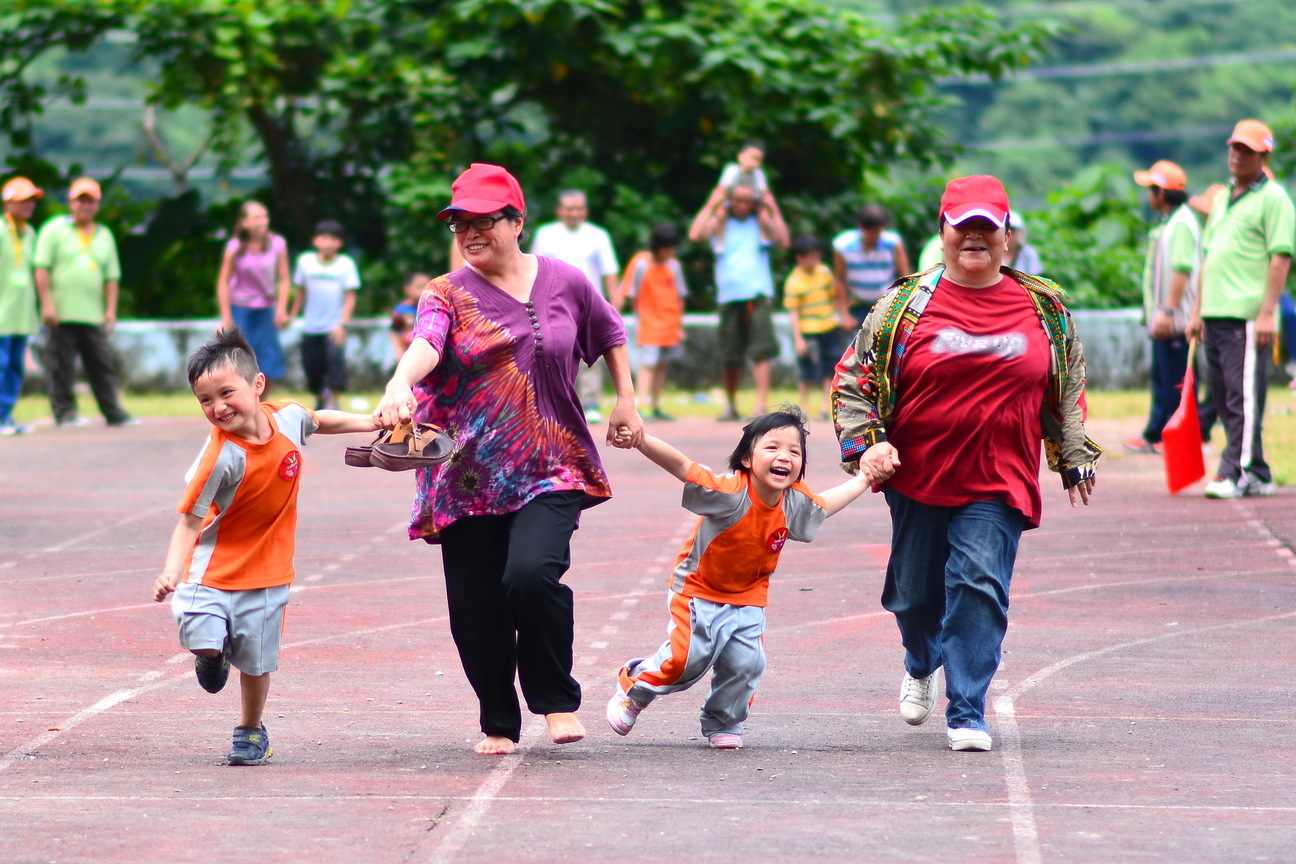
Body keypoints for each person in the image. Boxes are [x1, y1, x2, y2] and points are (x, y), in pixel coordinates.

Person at [374, 163, 643, 756]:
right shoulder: (444, 293)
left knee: (530, 575)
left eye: (483, 221)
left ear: (516, 221)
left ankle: (554, 699)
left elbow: (610, 330)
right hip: (465, 474)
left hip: (553, 463)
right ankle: (498, 718)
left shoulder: (567, 281)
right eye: (458, 223)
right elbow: (426, 343)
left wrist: (626, 401)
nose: (469, 233)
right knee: (475, 607)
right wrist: (399, 383)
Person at [832, 175, 1100, 752]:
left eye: (988, 227)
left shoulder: (1043, 308)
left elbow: (1066, 383)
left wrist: (1073, 452)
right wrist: (868, 443)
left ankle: (967, 709)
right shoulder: (904, 305)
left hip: (998, 481)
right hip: (917, 477)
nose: (975, 237)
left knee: (977, 583)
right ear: (943, 231)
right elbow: (853, 378)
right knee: (914, 595)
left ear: (1008, 236)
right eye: (964, 226)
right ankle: (921, 658)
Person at [152, 328, 377, 765]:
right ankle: (211, 657)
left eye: (226, 393)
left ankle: (251, 731)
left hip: (269, 574)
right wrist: (170, 571)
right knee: (202, 634)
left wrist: (370, 421)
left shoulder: (288, 418)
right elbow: (189, 522)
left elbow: (319, 419)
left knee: (255, 661)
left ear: (257, 385)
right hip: (211, 569)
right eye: (205, 400)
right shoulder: (219, 458)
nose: (217, 407)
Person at [605, 408, 875, 749]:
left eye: (794, 451)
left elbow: (823, 505)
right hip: (698, 589)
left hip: (748, 595)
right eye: (772, 447)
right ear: (747, 458)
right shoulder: (731, 491)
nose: (784, 457)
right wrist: (641, 440)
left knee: (747, 663)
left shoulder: (792, 501)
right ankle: (634, 688)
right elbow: (681, 467)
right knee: (687, 661)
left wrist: (864, 479)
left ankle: (724, 719)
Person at [1187, 119, 1295, 499]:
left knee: (1242, 397)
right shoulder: (1223, 199)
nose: (1237, 155)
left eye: (1246, 150)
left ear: (1264, 156)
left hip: (1247, 317)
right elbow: (1208, 257)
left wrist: (1267, 313)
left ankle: (1236, 471)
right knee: (1223, 398)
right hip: (1214, 314)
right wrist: (1197, 311)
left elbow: (1281, 256)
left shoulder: (1275, 199)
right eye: (1234, 147)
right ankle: (1259, 471)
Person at [33, 177, 136, 428]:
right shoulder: (54, 230)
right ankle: (65, 413)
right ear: (70, 203)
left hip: (92, 313)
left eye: (90, 201)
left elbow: (111, 278)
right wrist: (47, 304)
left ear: (98, 205)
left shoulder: (104, 235)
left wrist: (110, 310)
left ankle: (113, 412)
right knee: (61, 365)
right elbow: (41, 268)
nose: (85, 206)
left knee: (102, 364)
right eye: (80, 201)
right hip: (61, 312)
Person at [688, 178, 789, 420]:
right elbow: (695, 235)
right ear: (730, 201)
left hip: (757, 293)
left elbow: (784, 241)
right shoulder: (721, 222)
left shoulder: (761, 222)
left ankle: (761, 403)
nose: (742, 205)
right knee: (729, 354)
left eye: (747, 201)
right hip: (728, 295)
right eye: (737, 201)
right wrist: (712, 204)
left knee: (761, 351)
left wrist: (773, 208)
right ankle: (730, 404)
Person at [1125, 160, 1200, 455]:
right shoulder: (1172, 221)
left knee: (1174, 382)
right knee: (1164, 379)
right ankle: (1156, 434)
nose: (1148, 196)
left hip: (1175, 319)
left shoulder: (1181, 224)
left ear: (1162, 193)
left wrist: (1167, 311)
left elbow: (1182, 270)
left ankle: (1173, 438)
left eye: (1151, 189)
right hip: (1168, 318)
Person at [530, 189, 620, 423]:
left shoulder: (598, 235)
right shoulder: (546, 234)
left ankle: (590, 403)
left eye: (578, 208)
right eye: (569, 208)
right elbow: (535, 268)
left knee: (592, 353)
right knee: (555, 351)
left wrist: (614, 304)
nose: (574, 213)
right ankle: (558, 401)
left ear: (585, 211)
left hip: (590, 304)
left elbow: (610, 272)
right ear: (560, 211)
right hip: (553, 303)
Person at [215, 200, 289, 392]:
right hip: (241, 309)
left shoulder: (277, 245)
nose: (262, 221)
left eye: (264, 217)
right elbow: (223, 282)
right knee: (241, 359)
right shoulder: (234, 247)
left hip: (266, 309)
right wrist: (226, 317)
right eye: (256, 217)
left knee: (268, 359)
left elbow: (283, 278)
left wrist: (281, 310)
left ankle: (262, 406)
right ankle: (243, 403)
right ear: (244, 222)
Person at [288, 220, 361, 411]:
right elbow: (300, 292)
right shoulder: (305, 261)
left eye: (333, 239)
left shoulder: (346, 264)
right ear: (315, 241)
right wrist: (292, 315)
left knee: (335, 365)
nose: (328, 243)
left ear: (340, 243)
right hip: (310, 326)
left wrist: (342, 324)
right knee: (311, 365)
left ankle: (334, 401)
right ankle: (320, 396)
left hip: (333, 326)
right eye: (324, 238)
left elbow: (350, 296)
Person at [620, 224, 687, 421]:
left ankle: (656, 405)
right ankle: (642, 406)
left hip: (669, 325)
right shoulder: (640, 264)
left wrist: (679, 326)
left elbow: (680, 296)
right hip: (648, 325)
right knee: (647, 365)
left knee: (661, 365)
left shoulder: (674, 266)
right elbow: (630, 293)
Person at [783, 234, 848, 420]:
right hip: (808, 330)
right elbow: (793, 312)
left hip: (829, 326)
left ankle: (824, 406)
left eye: (816, 256)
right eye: (810, 257)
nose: (814, 261)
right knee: (807, 370)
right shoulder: (794, 282)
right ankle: (803, 406)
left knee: (830, 367)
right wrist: (798, 339)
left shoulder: (824, 273)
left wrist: (841, 316)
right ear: (800, 258)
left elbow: (833, 295)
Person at [1, 177, 42, 436]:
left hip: (22, 316)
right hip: (2, 316)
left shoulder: (30, 233)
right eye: (23, 201)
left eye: (31, 201)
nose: (29, 205)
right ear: (8, 203)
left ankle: (6, 415)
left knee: (15, 367)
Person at [833, 204, 910, 325]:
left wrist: (903, 307)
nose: (874, 235)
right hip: (858, 306)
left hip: (887, 305)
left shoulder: (893, 243)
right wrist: (844, 314)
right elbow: (840, 280)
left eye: (878, 231)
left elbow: (904, 277)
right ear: (861, 227)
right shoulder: (843, 246)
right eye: (871, 231)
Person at [390, 271, 430, 366]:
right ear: (407, 290)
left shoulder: (433, 309)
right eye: (420, 287)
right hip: (408, 353)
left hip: (427, 355)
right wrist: (398, 350)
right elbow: (394, 330)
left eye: (428, 286)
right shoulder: (402, 310)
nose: (425, 290)